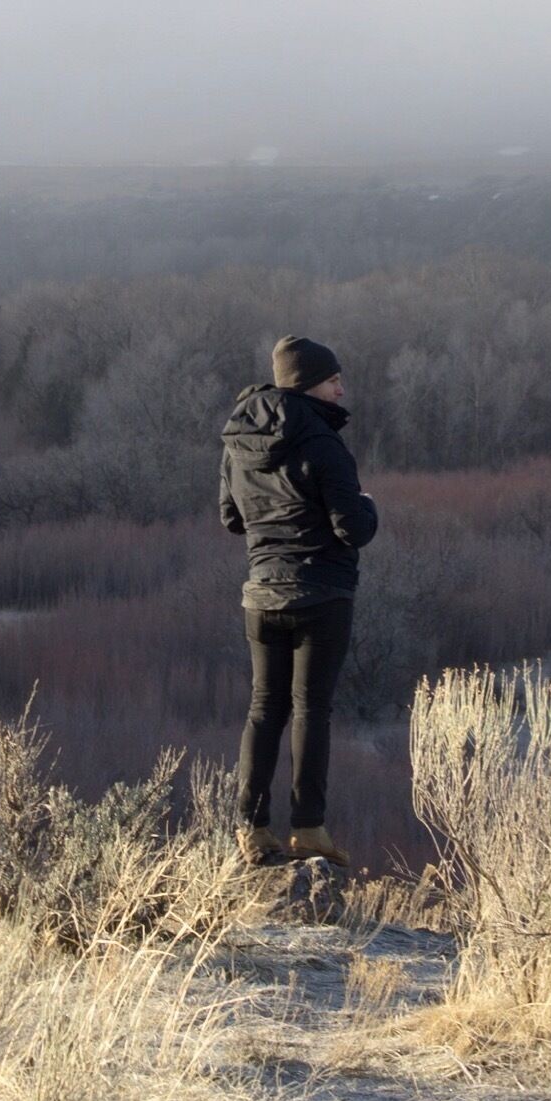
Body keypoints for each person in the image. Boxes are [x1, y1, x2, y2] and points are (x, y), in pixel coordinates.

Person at [219, 335, 378, 870]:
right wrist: (368, 506)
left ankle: (252, 828)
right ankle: (308, 829)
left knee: (265, 709)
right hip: (322, 595)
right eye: (335, 380)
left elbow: (232, 518)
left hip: (261, 595)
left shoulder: (238, 440)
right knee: (311, 708)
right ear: (310, 383)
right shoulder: (324, 443)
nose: (342, 389)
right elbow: (352, 529)